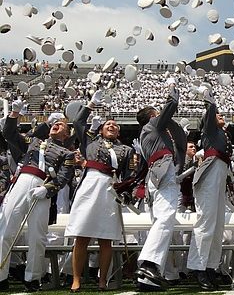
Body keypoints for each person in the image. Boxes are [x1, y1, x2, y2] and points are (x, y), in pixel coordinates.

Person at [0, 99, 75, 291]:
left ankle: (33, 277)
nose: (57, 125)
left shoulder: (67, 154)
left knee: (37, 236)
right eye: (55, 124)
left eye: (62, 125)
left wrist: (47, 190)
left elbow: (63, 177)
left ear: (67, 134)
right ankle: (1, 276)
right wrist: (14, 114)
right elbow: (9, 134)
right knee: (6, 229)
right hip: (23, 180)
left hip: (43, 189)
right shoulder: (33, 141)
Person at [66, 90, 135, 292]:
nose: (112, 126)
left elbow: (129, 174)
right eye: (108, 125)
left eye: (115, 125)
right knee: (82, 235)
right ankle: (76, 279)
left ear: (119, 132)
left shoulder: (126, 150)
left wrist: (125, 192)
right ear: (101, 130)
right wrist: (90, 105)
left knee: (106, 238)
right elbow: (78, 123)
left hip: (110, 189)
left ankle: (102, 279)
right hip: (90, 185)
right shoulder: (91, 142)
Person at [133, 77, 187, 291]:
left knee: (159, 221)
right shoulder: (154, 124)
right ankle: (148, 264)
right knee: (166, 218)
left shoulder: (147, 134)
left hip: (155, 176)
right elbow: (172, 105)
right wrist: (172, 88)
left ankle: (147, 279)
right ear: (154, 116)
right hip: (163, 173)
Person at [187, 89, 234, 290]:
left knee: (217, 226)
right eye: (217, 114)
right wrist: (210, 100)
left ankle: (210, 266)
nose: (220, 115)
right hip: (209, 175)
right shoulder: (210, 130)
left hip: (220, 174)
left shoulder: (221, 133)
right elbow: (210, 111)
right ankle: (198, 267)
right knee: (206, 222)